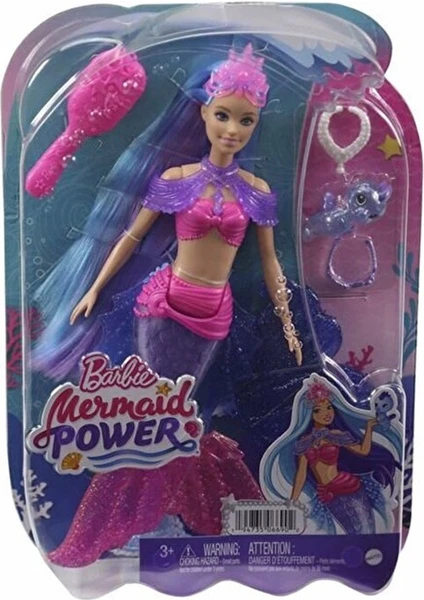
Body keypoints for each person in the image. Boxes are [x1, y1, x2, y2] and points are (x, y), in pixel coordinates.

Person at [32, 43, 303, 567]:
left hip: (214, 313)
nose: (232, 129)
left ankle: (170, 509)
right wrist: (94, 287)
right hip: (164, 308)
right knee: (160, 414)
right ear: (203, 113)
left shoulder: (256, 191)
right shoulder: (177, 182)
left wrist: (288, 321)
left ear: (256, 123)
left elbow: (271, 262)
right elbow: (131, 237)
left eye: (245, 120)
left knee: (182, 414)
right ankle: (133, 517)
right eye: (222, 115)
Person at [260, 374, 402, 535]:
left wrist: (369, 428)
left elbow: (363, 451)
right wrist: (292, 501)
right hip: (326, 493)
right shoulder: (305, 442)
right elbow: (301, 474)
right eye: (318, 410)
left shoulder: (335, 435)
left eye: (329, 407)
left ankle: (369, 547)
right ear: (309, 413)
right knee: (348, 531)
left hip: (349, 487)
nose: (326, 413)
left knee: (364, 529)